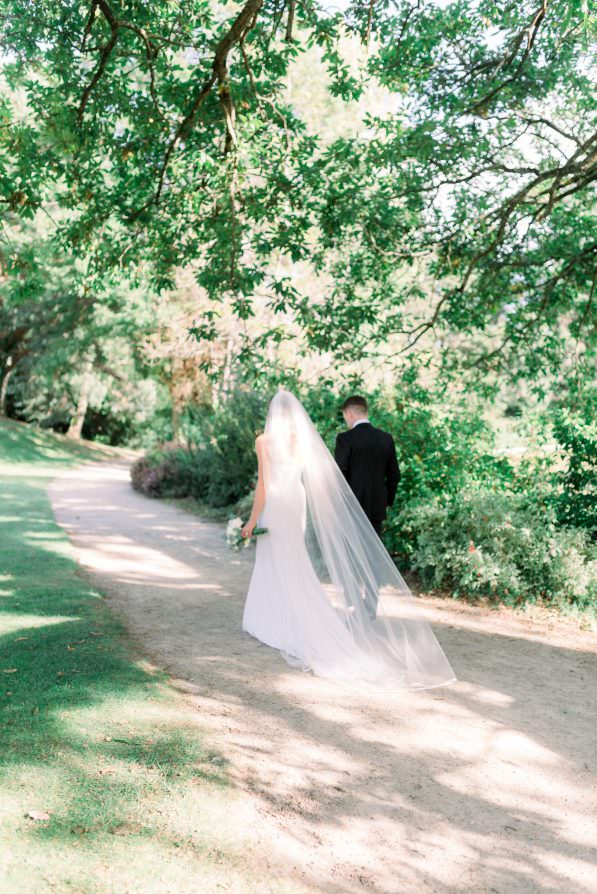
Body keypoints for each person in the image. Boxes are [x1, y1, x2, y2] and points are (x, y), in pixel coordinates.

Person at [240, 389, 456, 691]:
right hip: (300, 502)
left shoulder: (264, 441)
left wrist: (252, 520)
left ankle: (274, 614)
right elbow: (334, 477)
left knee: (276, 555)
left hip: (278, 501)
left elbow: (264, 485)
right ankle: (341, 608)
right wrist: (373, 503)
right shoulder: (304, 439)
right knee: (296, 556)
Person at [334, 396, 400, 539]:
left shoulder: (345, 439)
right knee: (374, 548)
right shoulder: (386, 438)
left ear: (349, 414)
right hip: (377, 507)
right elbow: (394, 475)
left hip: (351, 507)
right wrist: (386, 500)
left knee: (353, 550)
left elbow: (339, 474)